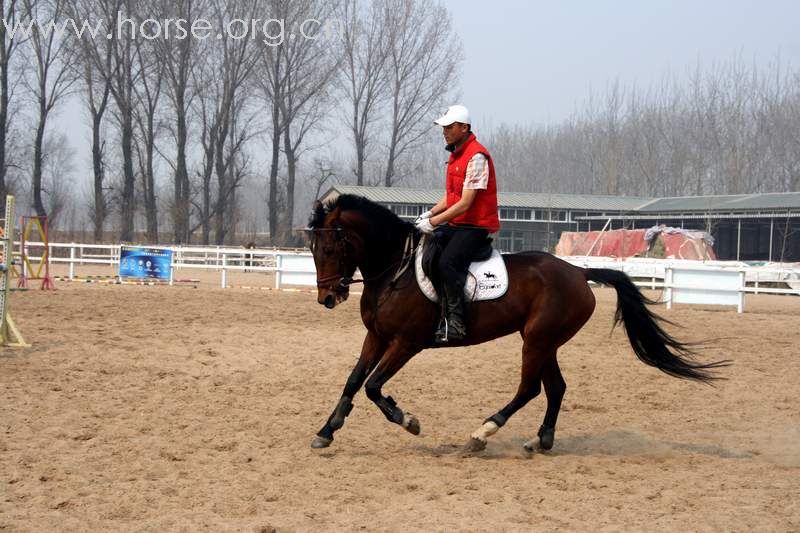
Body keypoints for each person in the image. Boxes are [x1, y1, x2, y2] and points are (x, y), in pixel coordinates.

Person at [415, 105, 500, 344]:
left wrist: (433, 222)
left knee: (447, 262)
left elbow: (465, 203)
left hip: (475, 226)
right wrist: (428, 213)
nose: (445, 131)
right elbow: (450, 197)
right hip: (458, 223)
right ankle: (440, 313)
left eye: (450, 127)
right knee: (429, 256)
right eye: (444, 127)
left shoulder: (476, 156)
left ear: (464, 128)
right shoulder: (456, 156)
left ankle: (457, 323)